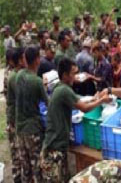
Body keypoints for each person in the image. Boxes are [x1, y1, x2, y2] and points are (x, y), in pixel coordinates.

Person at [40, 58, 111, 182]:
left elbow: (78, 100)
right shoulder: (64, 90)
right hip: (54, 150)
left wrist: (94, 98)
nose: (76, 76)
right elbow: (83, 108)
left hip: (57, 146)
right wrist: (100, 101)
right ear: (65, 75)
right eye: (73, 73)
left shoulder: (61, 87)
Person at [15, 46, 48, 182]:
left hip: (20, 128)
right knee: (37, 168)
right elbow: (49, 103)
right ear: (37, 60)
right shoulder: (37, 82)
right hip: (33, 130)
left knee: (26, 166)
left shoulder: (19, 75)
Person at [6, 47, 26, 183]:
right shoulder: (13, 77)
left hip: (18, 118)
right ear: (19, 61)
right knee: (17, 154)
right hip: (14, 120)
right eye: (24, 57)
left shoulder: (19, 74)